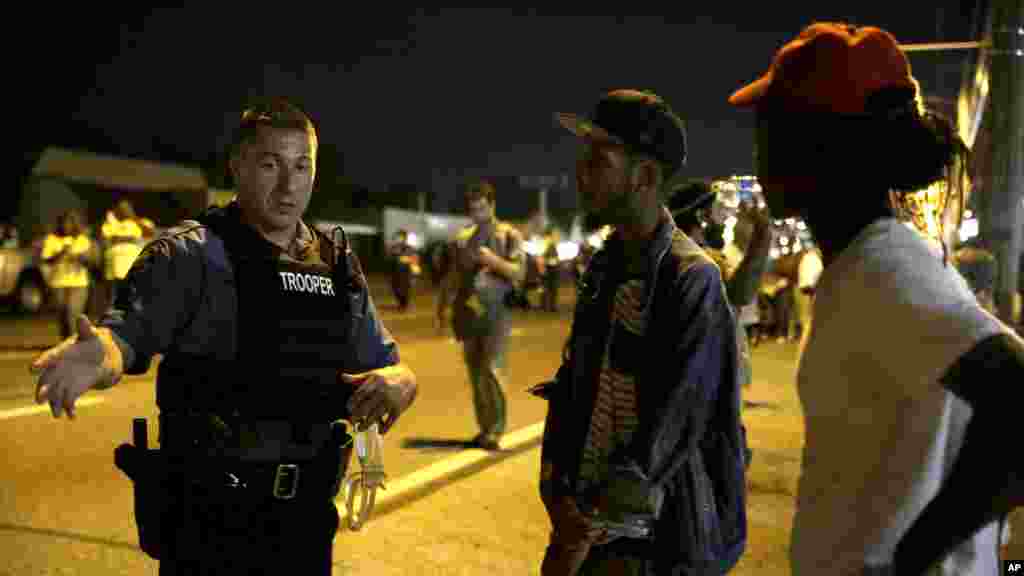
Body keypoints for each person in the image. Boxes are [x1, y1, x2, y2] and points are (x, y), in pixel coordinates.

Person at [29, 98, 418, 575]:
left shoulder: (335, 262)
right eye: (270, 164)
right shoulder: (192, 256)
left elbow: (386, 361)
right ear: (237, 165)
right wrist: (100, 354)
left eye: (302, 166)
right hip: (211, 523)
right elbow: (126, 336)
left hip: (306, 521)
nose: (289, 184)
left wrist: (401, 382)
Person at [728, 22, 1024, 574]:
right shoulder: (864, 266)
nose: (759, 147)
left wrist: (914, 554)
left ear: (822, 143)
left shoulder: (883, 269)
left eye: (772, 127)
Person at [539, 89, 746, 575]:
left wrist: (582, 525)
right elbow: (575, 387)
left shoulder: (692, 278)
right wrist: (558, 491)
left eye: (599, 159)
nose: (581, 171)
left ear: (646, 175)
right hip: (591, 532)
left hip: (657, 545)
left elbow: (674, 428)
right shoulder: (605, 268)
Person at [436, 178, 525, 450]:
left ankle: (496, 428)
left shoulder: (510, 235)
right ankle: (485, 427)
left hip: (498, 311)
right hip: (468, 311)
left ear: (492, 206)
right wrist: (443, 306)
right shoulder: (463, 239)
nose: (478, 214)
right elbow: (452, 276)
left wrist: (492, 261)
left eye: (483, 208)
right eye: (474, 209)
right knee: (475, 371)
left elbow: (519, 272)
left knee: (491, 367)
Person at [41, 210, 94, 340]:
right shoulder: (52, 239)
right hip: (58, 282)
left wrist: (80, 258)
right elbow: (46, 259)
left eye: (70, 222)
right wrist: (61, 253)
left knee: (73, 312)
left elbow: (90, 263)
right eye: (64, 222)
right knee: (62, 314)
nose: (67, 225)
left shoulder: (82, 239)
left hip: (79, 282)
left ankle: (74, 341)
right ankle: (65, 341)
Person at [101, 199, 145, 313]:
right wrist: (130, 238)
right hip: (114, 267)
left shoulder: (137, 223)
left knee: (133, 297)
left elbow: (149, 232)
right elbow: (109, 239)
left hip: (134, 266)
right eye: (121, 208)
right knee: (114, 298)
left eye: (127, 208)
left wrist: (134, 219)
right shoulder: (110, 224)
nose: (124, 210)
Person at [389, 228, 420, 312]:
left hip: (406, 274)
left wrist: (415, 275)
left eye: (400, 237)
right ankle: (401, 303)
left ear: (404, 238)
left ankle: (404, 305)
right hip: (395, 273)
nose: (397, 238)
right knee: (395, 289)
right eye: (397, 237)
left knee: (404, 290)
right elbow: (390, 260)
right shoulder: (393, 248)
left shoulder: (409, 248)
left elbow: (414, 261)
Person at [542, 227, 562, 312]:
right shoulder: (548, 245)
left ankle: (550, 306)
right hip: (549, 268)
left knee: (552, 288)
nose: (556, 237)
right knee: (549, 288)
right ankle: (548, 306)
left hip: (552, 269)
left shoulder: (551, 245)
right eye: (555, 235)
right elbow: (545, 257)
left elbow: (556, 258)